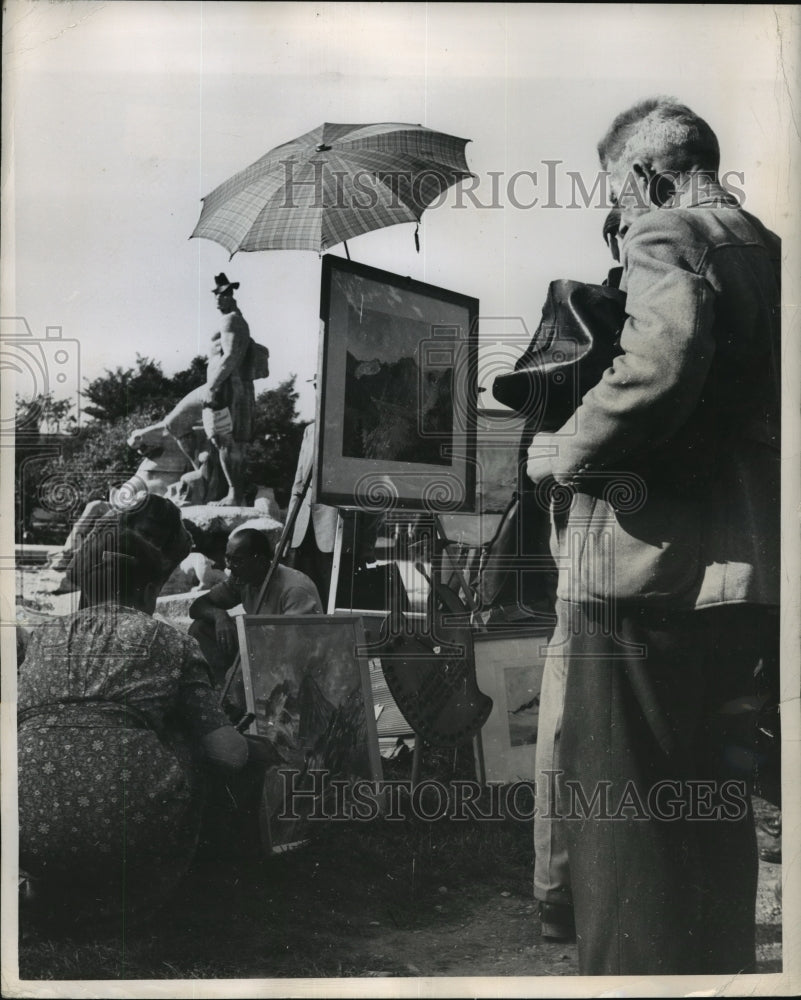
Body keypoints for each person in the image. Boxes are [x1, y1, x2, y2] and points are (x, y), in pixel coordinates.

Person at [526, 98, 780, 975]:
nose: (618, 214)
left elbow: (656, 364)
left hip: (646, 574)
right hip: (747, 577)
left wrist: (562, 450)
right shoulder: (772, 251)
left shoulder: (667, 231)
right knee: (711, 806)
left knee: (622, 819)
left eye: (615, 194)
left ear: (639, 175)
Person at [17, 495, 249, 932]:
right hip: (126, 834)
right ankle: (132, 894)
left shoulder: (42, 638)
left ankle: (48, 889)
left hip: (25, 832)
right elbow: (228, 754)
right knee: (189, 739)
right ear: (149, 589)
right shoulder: (168, 641)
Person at [532, 207, 624, 943]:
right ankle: (560, 888)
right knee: (567, 726)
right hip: (591, 547)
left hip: (625, 547)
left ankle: (578, 888)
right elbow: (542, 443)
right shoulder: (583, 310)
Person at [189, 528, 323, 685]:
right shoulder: (242, 579)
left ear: (259, 561)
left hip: (291, 657)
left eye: (237, 560)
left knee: (240, 676)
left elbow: (296, 648)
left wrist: (242, 668)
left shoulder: (295, 590)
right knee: (201, 628)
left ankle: (234, 693)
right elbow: (197, 607)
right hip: (261, 644)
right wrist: (219, 615)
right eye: (228, 559)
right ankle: (220, 687)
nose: (229, 567)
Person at [203, 272, 255, 506]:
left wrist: (212, 386)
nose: (218, 299)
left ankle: (234, 494)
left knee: (224, 439)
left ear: (230, 295)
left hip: (228, 387)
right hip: (234, 386)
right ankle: (235, 493)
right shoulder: (236, 319)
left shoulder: (231, 320)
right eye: (216, 294)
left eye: (222, 294)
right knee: (230, 441)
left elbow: (232, 355)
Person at [286, 421, 338, 604]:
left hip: (333, 530)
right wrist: (287, 534)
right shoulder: (310, 429)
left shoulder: (352, 424)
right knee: (302, 597)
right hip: (303, 528)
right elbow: (298, 483)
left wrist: (366, 546)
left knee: (330, 599)